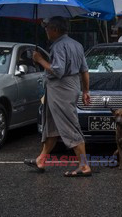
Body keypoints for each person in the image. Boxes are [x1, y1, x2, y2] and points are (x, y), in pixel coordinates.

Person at [25, 16, 92, 177]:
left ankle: (84, 166)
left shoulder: (58, 46)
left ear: (55, 29)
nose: (46, 31)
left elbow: (58, 70)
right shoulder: (76, 44)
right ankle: (41, 159)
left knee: (70, 126)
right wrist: (85, 91)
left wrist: (40, 59)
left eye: (47, 28)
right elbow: (84, 70)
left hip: (61, 89)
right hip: (71, 87)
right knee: (52, 127)